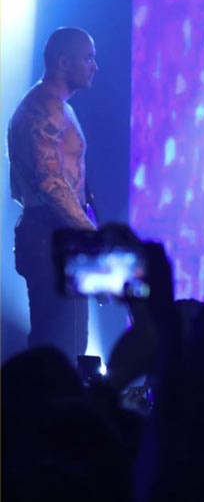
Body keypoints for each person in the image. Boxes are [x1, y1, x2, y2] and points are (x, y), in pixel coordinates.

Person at [7, 27, 99, 360]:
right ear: (63, 62)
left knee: (63, 345)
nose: (94, 66)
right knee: (63, 350)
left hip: (50, 233)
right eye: (88, 58)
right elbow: (50, 182)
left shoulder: (53, 106)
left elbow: (22, 188)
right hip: (53, 237)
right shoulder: (43, 108)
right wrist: (91, 236)